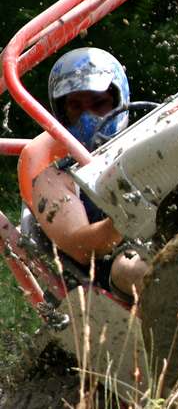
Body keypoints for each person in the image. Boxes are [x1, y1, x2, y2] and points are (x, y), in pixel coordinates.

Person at [17, 47, 148, 298]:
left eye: (98, 103)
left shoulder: (150, 138)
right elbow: (81, 247)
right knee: (130, 268)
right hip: (117, 270)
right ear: (62, 114)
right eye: (76, 107)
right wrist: (123, 217)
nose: (88, 117)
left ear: (119, 100)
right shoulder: (55, 178)